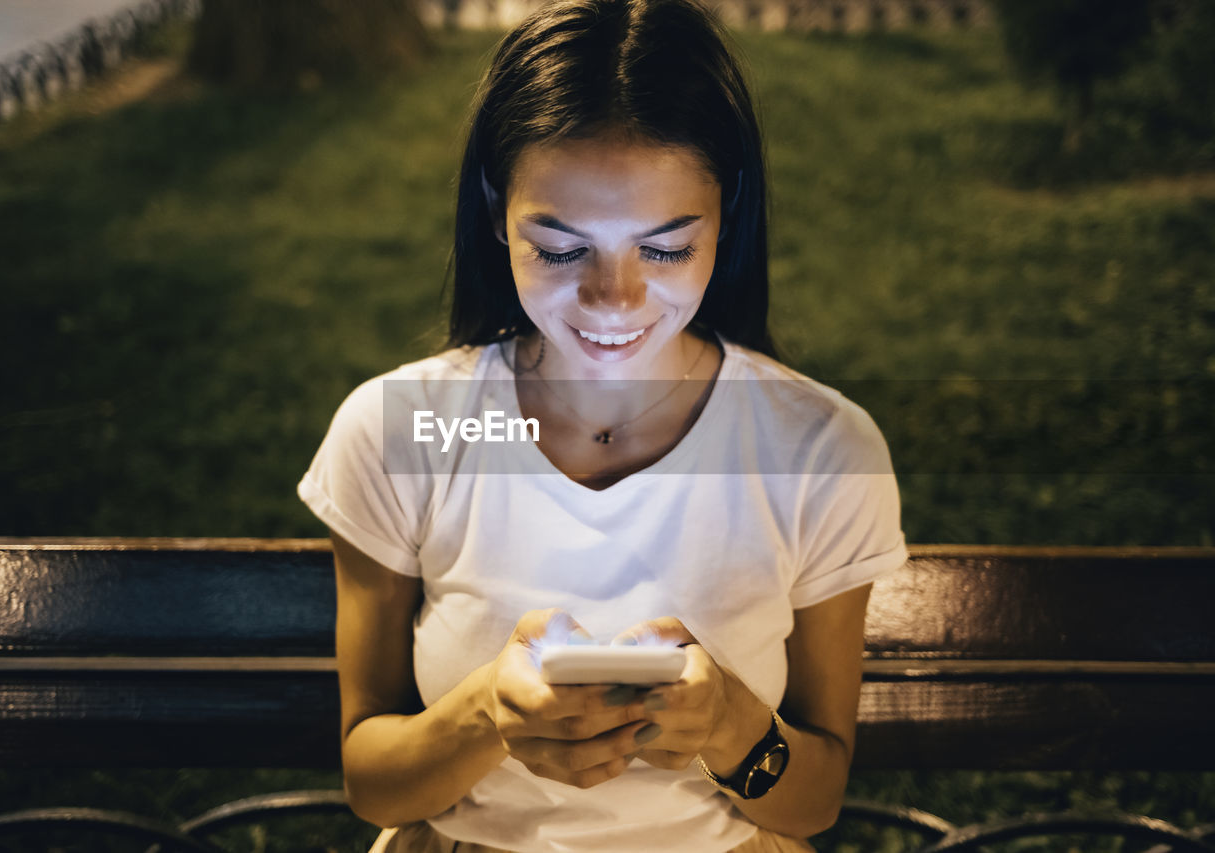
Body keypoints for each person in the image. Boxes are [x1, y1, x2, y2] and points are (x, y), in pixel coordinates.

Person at [296, 0, 909, 850]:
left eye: (663, 249)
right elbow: (372, 777)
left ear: (724, 219)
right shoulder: (408, 430)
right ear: (494, 212)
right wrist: (486, 713)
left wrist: (730, 723)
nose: (613, 301)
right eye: (559, 248)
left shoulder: (816, 451)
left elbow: (811, 804)